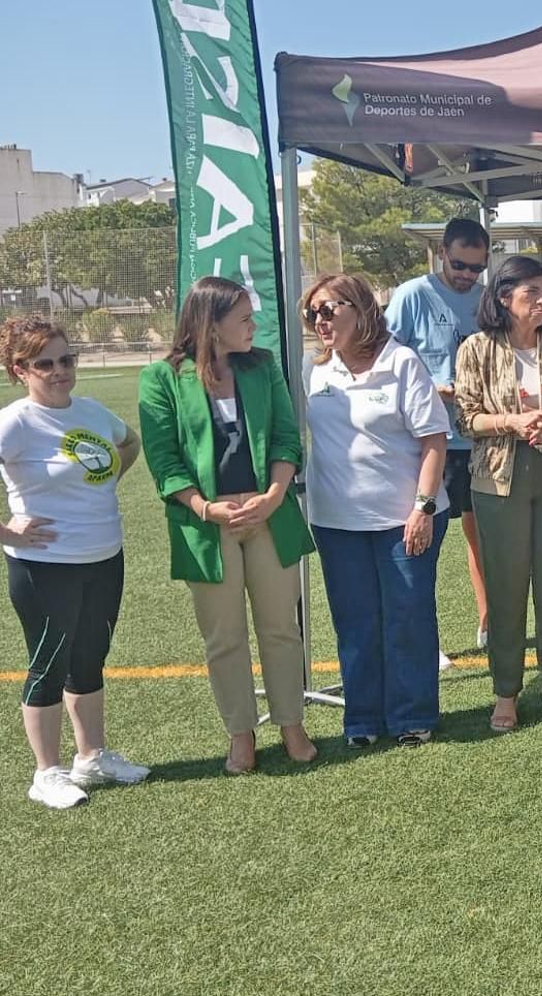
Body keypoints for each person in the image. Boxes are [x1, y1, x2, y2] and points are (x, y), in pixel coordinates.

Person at [139, 277, 318, 774]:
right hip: (207, 526)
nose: (253, 326)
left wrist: (275, 495)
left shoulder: (262, 367)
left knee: (281, 628)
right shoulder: (161, 379)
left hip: (269, 514)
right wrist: (203, 508)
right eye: (243, 318)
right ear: (210, 325)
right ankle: (240, 734)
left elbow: (287, 437)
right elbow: (164, 459)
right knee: (224, 637)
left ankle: (291, 724)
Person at [1, 316, 147, 808]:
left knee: (90, 657)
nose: (59, 371)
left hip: (104, 555)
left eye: (67, 359)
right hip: (44, 565)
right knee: (49, 663)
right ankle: (46, 772)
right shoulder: (16, 421)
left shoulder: (90, 410)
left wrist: (104, 485)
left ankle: (92, 756)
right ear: (20, 369)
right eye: (45, 363)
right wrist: (7, 528)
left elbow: (130, 443)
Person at [301, 273, 452, 749]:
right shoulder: (315, 369)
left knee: (407, 617)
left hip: (404, 517)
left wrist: (423, 509)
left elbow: (433, 440)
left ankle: (412, 715)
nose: (320, 320)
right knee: (354, 620)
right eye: (314, 313)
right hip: (336, 522)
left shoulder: (401, 362)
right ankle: (362, 718)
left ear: (362, 310)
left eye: (330, 309)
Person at [454, 256, 542, 732]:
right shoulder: (476, 348)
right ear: (504, 296)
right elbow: (466, 417)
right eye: (532, 292)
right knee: (506, 591)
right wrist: (512, 421)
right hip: (497, 477)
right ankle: (505, 692)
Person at [386, 217, 490, 663]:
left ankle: (491, 622)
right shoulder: (411, 295)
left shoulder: (487, 301)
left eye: (477, 268)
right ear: (442, 253)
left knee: (483, 539)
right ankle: (426, 639)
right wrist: (433, 388)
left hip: (481, 440)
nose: (468, 275)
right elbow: (387, 360)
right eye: (461, 264)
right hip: (431, 445)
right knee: (422, 542)